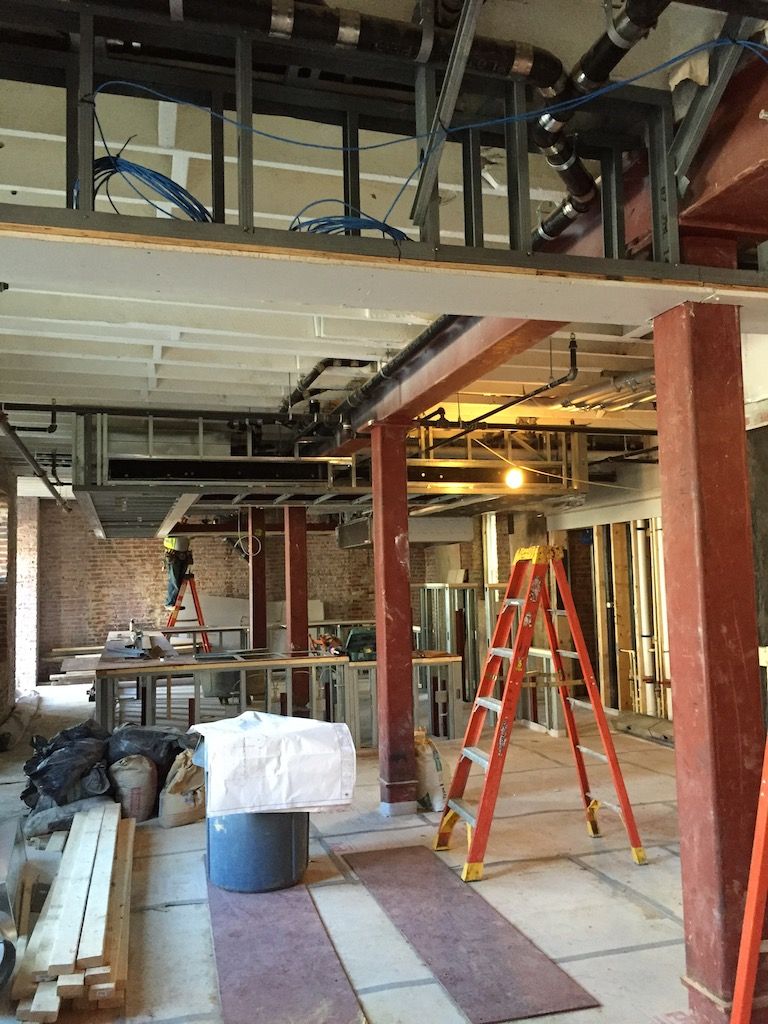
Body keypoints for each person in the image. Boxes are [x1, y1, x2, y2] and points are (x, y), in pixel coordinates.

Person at [163, 535, 193, 611]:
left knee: (179, 581)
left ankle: (174, 603)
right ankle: (169, 603)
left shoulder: (185, 529)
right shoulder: (171, 527)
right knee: (174, 581)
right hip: (173, 555)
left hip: (184, 555)